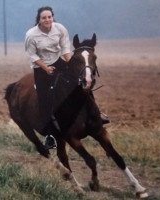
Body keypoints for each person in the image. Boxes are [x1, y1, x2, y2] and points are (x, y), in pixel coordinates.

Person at [25, 6, 109, 150]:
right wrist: (45, 67)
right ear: (39, 19)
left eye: (49, 17)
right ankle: (50, 135)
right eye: (44, 17)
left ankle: (97, 114)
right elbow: (32, 56)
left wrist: (73, 66)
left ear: (52, 17)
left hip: (58, 61)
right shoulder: (31, 35)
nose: (47, 20)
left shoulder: (60, 29)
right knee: (45, 97)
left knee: (83, 81)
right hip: (41, 67)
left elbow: (65, 49)